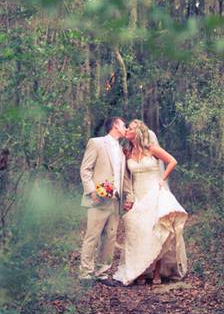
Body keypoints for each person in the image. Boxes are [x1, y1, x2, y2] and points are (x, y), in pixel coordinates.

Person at [111, 119, 188, 286]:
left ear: (137, 132)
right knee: (138, 232)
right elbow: (126, 176)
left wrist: (163, 179)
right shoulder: (128, 152)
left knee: (156, 230)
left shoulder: (152, 149)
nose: (127, 131)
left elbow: (172, 161)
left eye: (129, 129)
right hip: (138, 194)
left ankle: (156, 272)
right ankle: (140, 270)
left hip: (154, 192)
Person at [78, 116, 131, 283]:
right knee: (92, 236)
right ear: (115, 126)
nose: (126, 128)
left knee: (110, 238)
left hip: (115, 201)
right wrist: (92, 191)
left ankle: (102, 273)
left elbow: (123, 177)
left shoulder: (122, 150)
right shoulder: (96, 143)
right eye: (124, 125)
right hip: (98, 199)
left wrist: (129, 195)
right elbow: (85, 170)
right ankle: (85, 273)